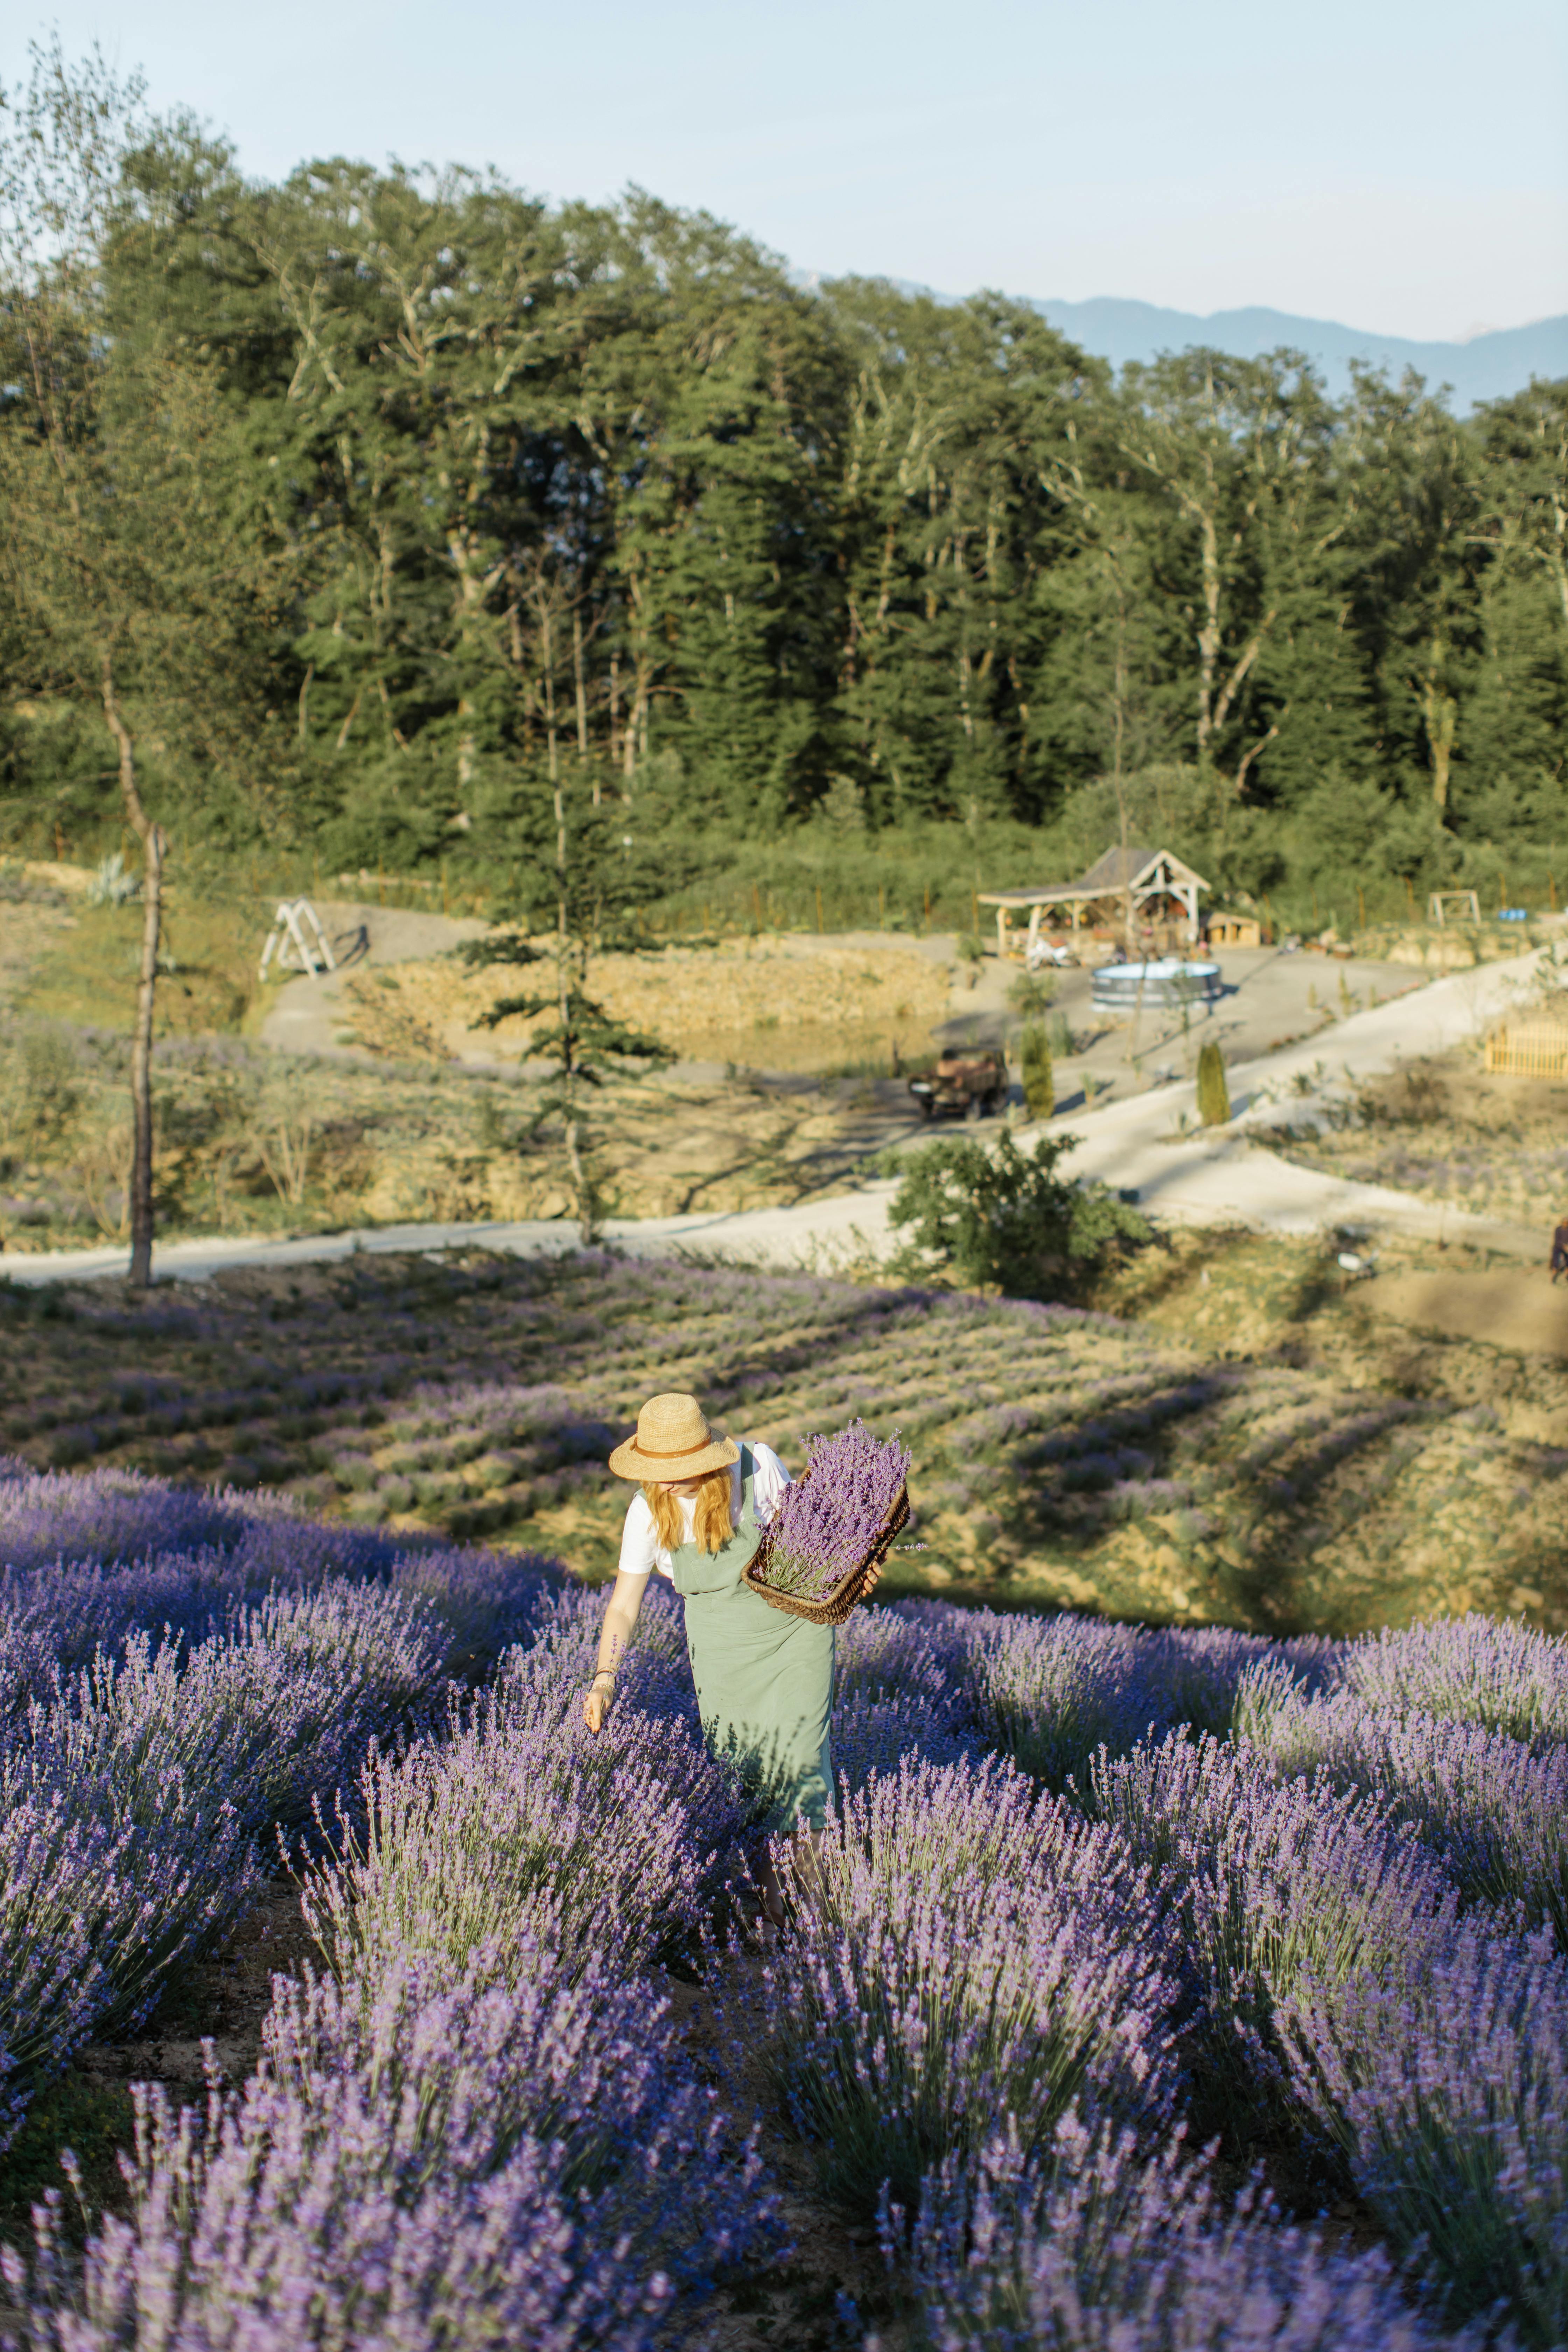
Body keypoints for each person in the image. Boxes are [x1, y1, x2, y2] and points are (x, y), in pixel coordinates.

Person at [582, 1391, 834, 1926]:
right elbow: (623, 1606)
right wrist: (605, 1679)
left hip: (794, 1637)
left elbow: (813, 1546)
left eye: (680, 1469)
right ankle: (773, 1913)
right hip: (721, 1654)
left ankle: (818, 1916)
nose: (668, 1482)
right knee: (749, 1782)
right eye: (659, 1471)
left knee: (803, 1770)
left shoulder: (757, 1467)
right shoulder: (646, 1511)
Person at [1552, 1214, 1568, 1283]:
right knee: (1556, 1262)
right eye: (1564, 1223)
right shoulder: (1558, 1229)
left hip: (1566, 1248)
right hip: (1558, 1247)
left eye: (1567, 1223)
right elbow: (1557, 1240)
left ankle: (1567, 1275)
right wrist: (1564, 1246)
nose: (1565, 1224)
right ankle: (1554, 1275)